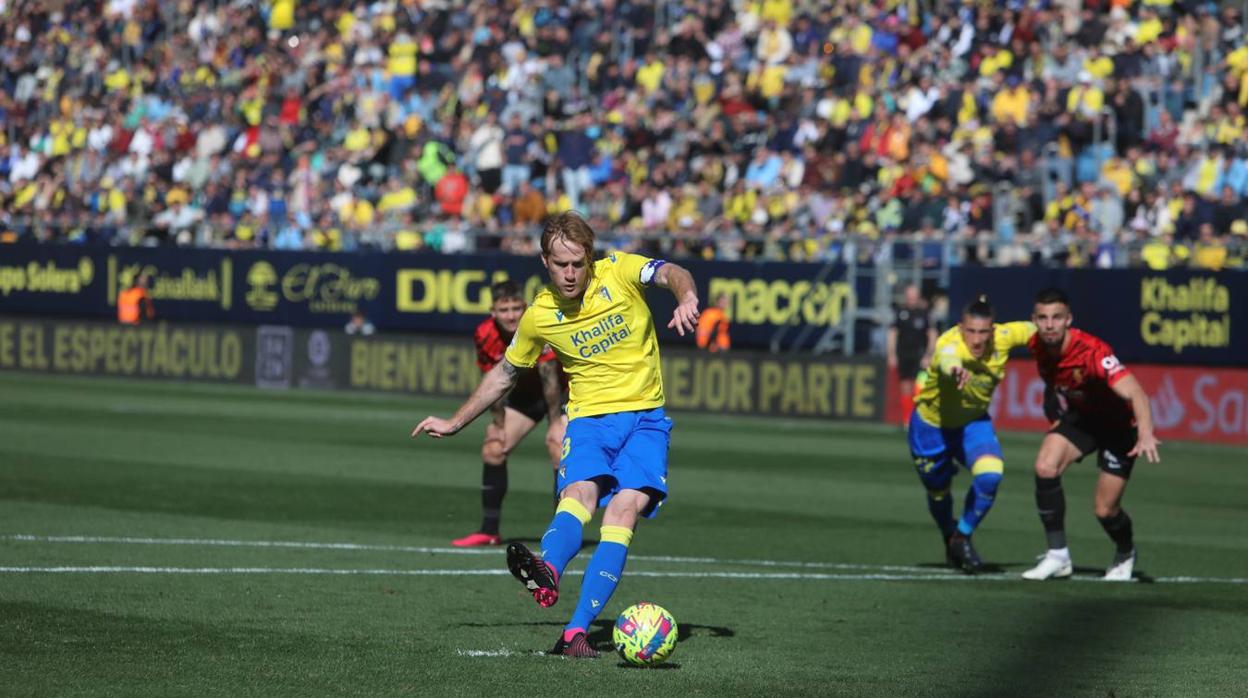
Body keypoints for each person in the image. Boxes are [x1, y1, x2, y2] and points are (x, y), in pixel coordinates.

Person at [412, 211, 700, 657]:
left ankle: (575, 633)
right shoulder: (540, 315)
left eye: (577, 264)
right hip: (587, 421)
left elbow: (672, 273)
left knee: (623, 513)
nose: (570, 274)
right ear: (545, 262)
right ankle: (547, 570)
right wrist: (455, 421)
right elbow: (504, 373)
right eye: (560, 264)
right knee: (579, 496)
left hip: (646, 419)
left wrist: (685, 297)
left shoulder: (620, 271)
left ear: (590, 258)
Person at [1022, 288, 1161, 582]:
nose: (1049, 325)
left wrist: (1146, 433)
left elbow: (1137, 392)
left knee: (1105, 510)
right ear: (1033, 320)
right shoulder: (1035, 344)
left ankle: (1125, 552)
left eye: (1056, 318)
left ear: (1068, 319)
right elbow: (1053, 383)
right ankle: (1058, 556)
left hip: (1119, 427)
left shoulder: (1094, 353)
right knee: (1044, 466)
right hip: (1083, 419)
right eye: (1043, 318)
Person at [909, 295, 1035, 573]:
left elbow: (1035, 329)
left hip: (972, 424)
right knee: (938, 492)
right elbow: (946, 359)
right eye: (971, 332)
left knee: (991, 475)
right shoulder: (949, 345)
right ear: (960, 328)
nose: (977, 340)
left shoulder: (1003, 336)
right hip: (931, 427)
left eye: (983, 332)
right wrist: (954, 368)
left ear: (993, 330)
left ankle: (962, 536)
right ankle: (948, 535)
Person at [451, 279, 567, 547]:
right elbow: (490, 379)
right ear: (493, 311)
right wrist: (498, 423)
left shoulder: (537, 325)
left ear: (524, 307)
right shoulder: (484, 333)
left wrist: (554, 424)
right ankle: (489, 530)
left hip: (561, 397)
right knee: (494, 447)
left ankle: (561, 536)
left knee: (557, 447)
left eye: (516, 308)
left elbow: (550, 379)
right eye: (504, 310)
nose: (511, 315)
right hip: (524, 400)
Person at [888, 284, 936, 428]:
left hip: (920, 355)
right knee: (905, 387)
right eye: (909, 295)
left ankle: (920, 418)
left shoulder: (924, 313)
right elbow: (893, 333)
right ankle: (907, 420)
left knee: (919, 387)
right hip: (903, 354)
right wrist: (891, 354)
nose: (911, 298)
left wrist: (929, 354)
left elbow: (932, 334)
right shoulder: (900, 312)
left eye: (914, 295)